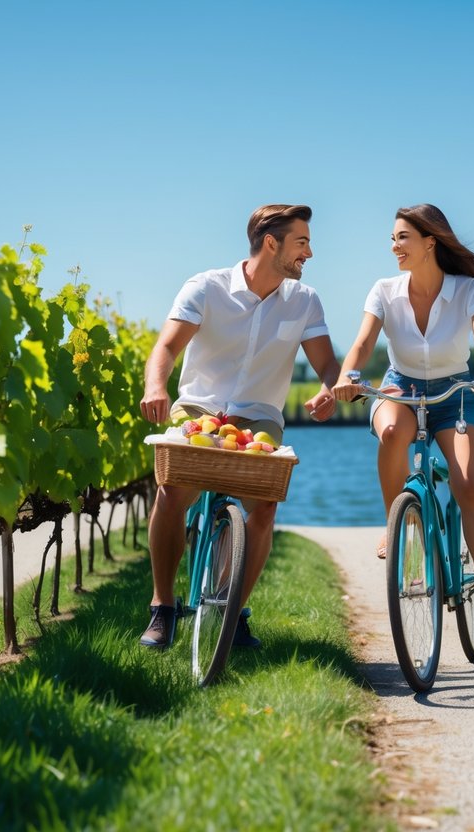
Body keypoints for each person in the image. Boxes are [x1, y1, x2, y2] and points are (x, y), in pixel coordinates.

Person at [137, 204, 340, 650]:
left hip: (259, 415)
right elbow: (166, 348)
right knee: (173, 491)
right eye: (302, 242)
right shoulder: (206, 287)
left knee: (265, 505)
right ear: (272, 243)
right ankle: (163, 607)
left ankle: (231, 609)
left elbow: (327, 364)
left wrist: (330, 388)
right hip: (198, 408)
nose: (309, 252)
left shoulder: (305, 301)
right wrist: (157, 386)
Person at [332, 204, 474, 639]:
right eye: (393, 238)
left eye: (403, 238)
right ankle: (395, 525)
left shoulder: (469, 289)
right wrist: (347, 377)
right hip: (400, 386)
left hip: (455, 392)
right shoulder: (383, 290)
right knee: (394, 432)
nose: (394, 246)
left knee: (468, 483)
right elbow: (362, 343)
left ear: (430, 242)